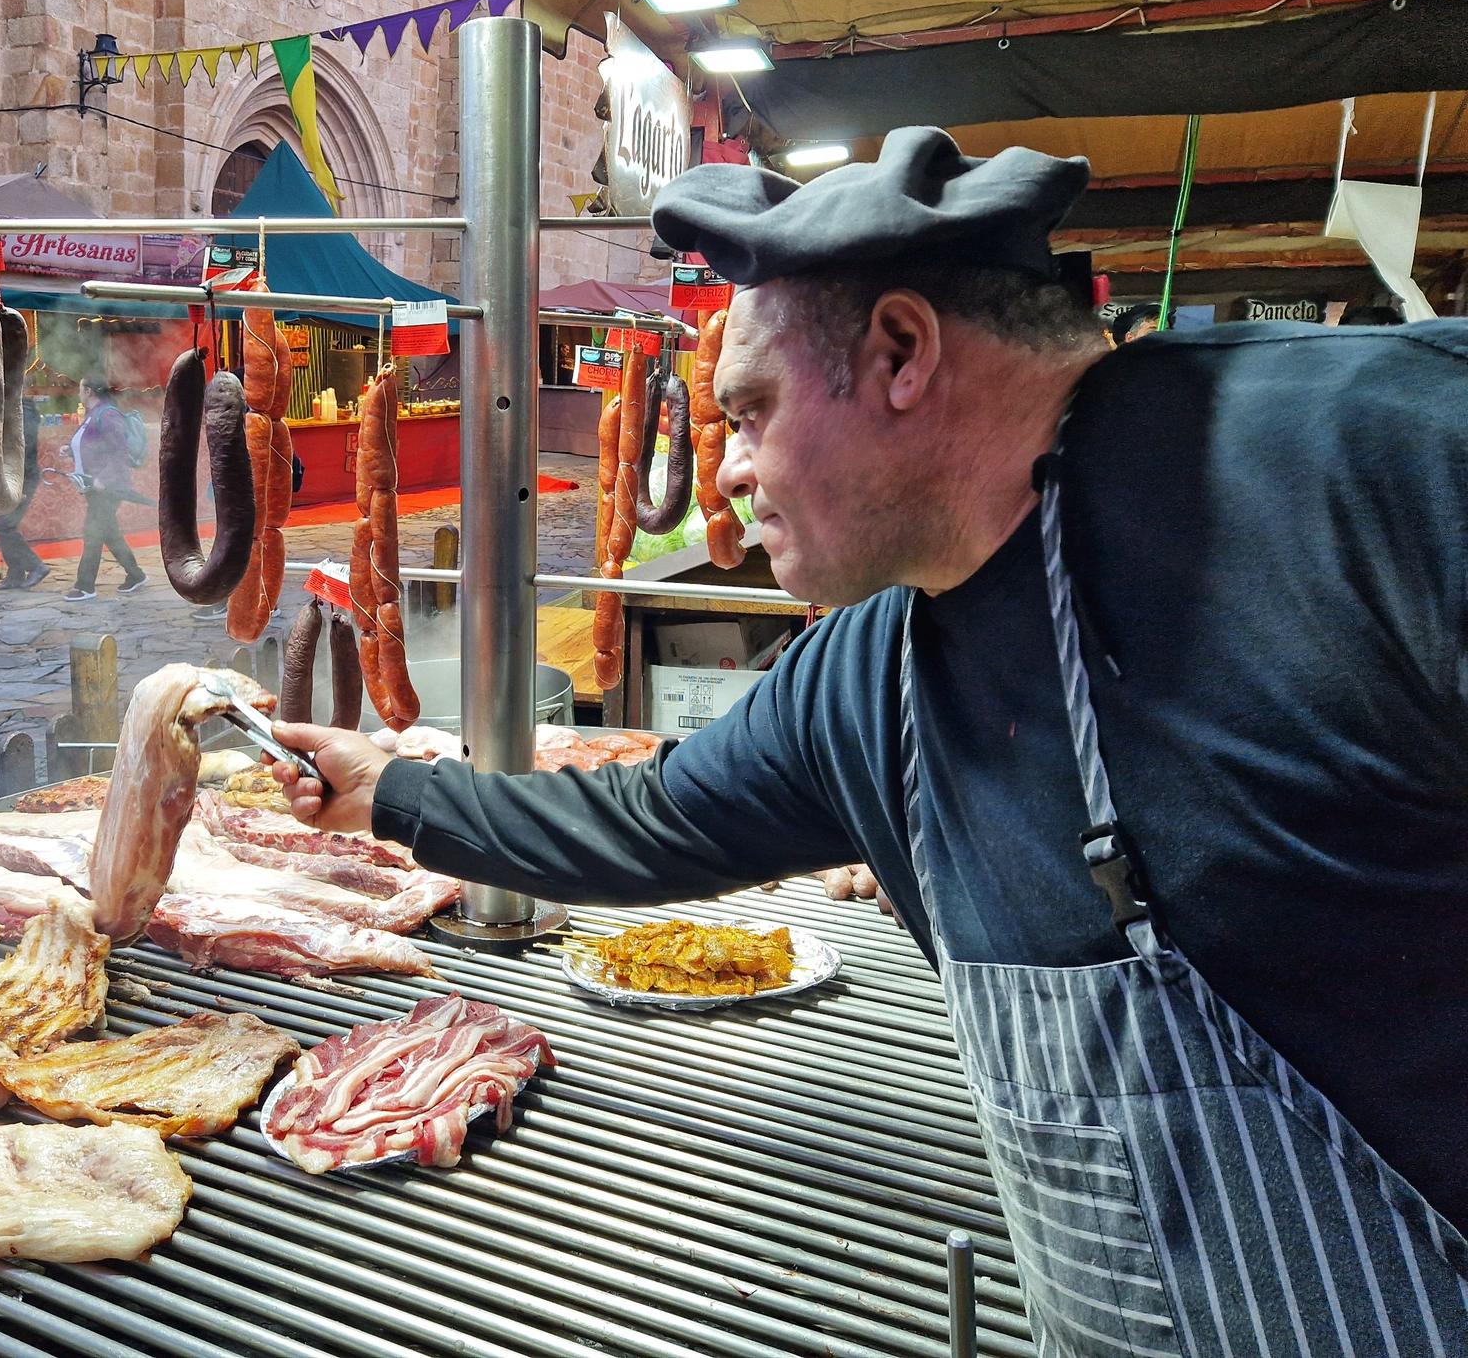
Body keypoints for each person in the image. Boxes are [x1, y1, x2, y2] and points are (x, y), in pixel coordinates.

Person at [272, 127, 1468, 1356]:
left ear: (901, 352)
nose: (726, 472)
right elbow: (656, 819)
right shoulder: (873, 667)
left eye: (748, 410)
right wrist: (391, 794)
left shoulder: (1372, 462)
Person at [63, 374, 148, 601]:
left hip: (107, 488)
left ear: (89, 391)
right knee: (109, 533)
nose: (78, 392)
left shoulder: (108, 415)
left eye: (81, 388)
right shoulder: (93, 415)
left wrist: (104, 478)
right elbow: (93, 445)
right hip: (95, 486)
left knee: (93, 533)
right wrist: (71, 450)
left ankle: (85, 586)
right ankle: (136, 574)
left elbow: (118, 451)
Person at [0, 388, 50, 591]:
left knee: (4, 525)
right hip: (12, 477)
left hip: (22, 478)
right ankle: (15, 574)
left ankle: (36, 566)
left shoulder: (23, 413)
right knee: (5, 525)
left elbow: (21, 451)